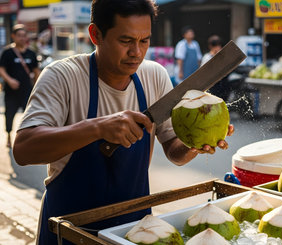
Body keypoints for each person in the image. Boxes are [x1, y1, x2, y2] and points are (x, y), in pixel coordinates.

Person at [12, 1, 233, 244]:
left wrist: (196, 143)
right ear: (95, 34)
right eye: (126, 41)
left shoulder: (154, 75)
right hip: (68, 228)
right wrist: (97, 127)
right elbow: (24, 149)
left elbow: (174, 150)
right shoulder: (62, 76)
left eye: (144, 40)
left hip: (136, 229)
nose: (136, 52)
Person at [0, 24, 40, 148]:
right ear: (13, 36)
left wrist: (38, 86)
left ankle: (27, 138)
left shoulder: (31, 54)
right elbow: (1, 69)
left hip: (27, 91)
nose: (22, 38)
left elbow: (36, 71)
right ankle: (8, 136)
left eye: (24, 36)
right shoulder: (8, 53)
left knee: (29, 115)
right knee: (9, 114)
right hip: (11, 92)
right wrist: (10, 80)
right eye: (19, 36)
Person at [201, 35, 232, 101]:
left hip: (224, 85)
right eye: (215, 46)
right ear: (210, 46)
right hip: (212, 85)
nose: (217, 48)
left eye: (219, 46)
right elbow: (203, 72)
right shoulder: (207, 57)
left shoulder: (223, 56)